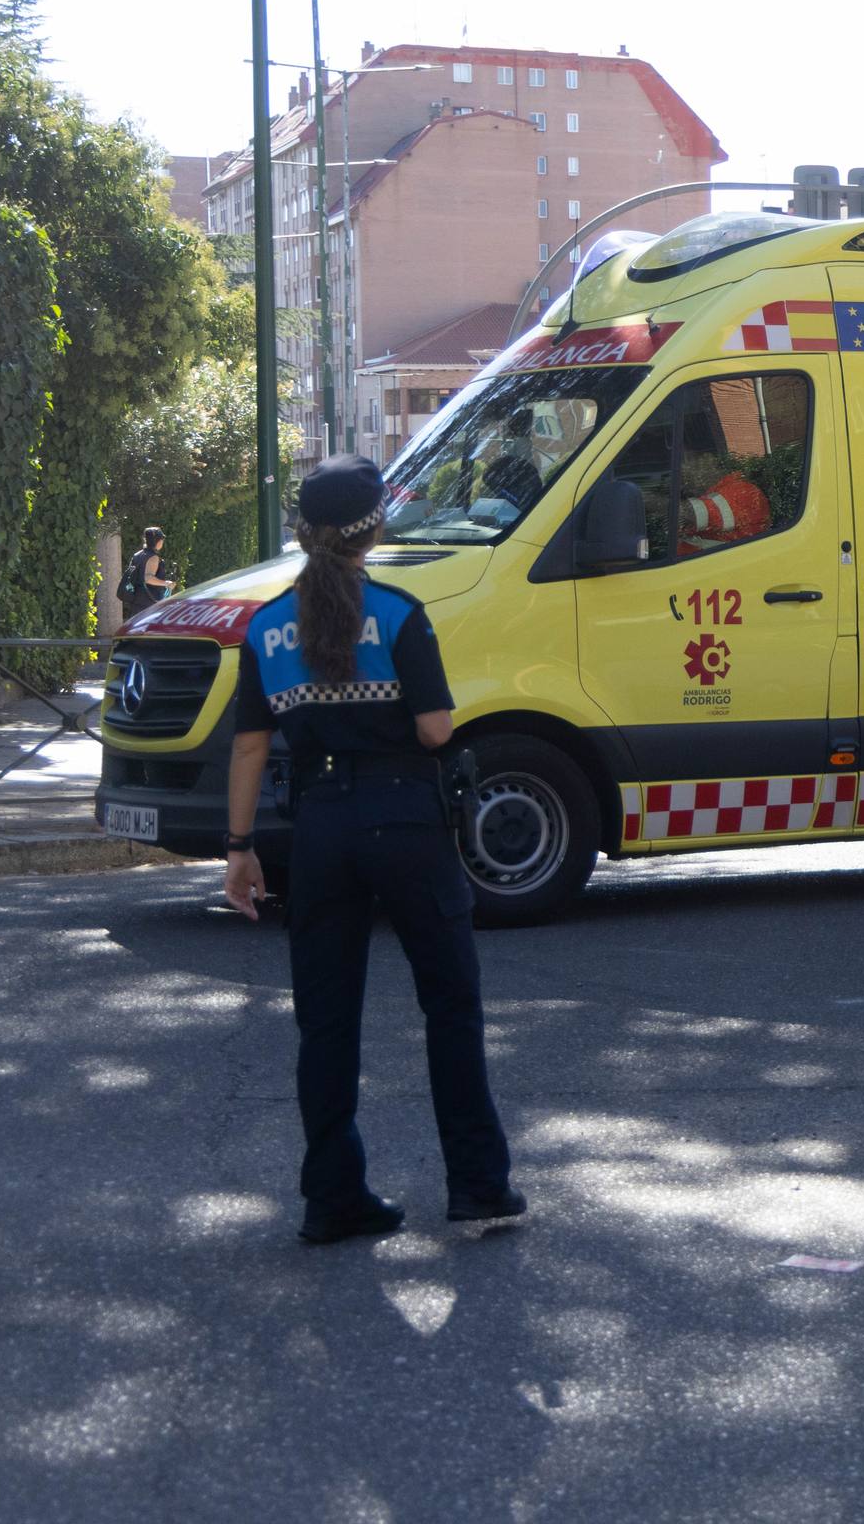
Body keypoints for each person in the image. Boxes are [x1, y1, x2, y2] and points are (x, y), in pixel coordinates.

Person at [220, 455, 524, 1245]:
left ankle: (333, 1198)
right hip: (406, 821)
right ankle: (478, 1187)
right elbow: (433, 730)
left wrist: (239, 849)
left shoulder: (264, 626)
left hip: (318, 826)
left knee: (326, 1021)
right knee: (449, 1003)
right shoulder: (397, 611)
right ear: (374, 528)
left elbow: (250, 747)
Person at [119, 526, 173, 617]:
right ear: (158, 541)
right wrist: (166, 583)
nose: (162, 542)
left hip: (136, 600)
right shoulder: (153, 557)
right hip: (149, 602)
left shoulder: (137, 555)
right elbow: (148, 578)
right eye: (162, 539)